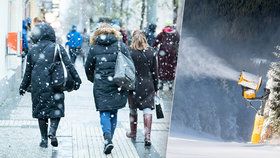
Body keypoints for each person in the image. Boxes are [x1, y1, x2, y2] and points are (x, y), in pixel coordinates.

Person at [19, 23, 82, 148]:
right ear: (51, 34)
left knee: (41, 112)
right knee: (55, 110)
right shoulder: (57, 48)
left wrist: (23, 86)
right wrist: (77, 79)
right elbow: (69, 65)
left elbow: (28, 72)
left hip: (38, 85)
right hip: (55, 84)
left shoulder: (33, 50)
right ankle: (52, 132)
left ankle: (43, 139)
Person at [85, 24, 131, 155]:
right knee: (113, 112)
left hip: (101, 84)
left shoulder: (94, 48)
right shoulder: (120, 45)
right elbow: (129, 64)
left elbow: (88, 67)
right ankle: (109, 138)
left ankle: (107, 138)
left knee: (104, 111)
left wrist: (94, 79)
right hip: (118, 83)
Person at [126, 30, 158, 147]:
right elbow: (155, 72)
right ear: (144, 38)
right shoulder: (151, 52)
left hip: (133, 85)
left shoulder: (129, 52)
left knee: (133, 110)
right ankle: (147, 137)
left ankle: (133, 132)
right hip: (148, 84)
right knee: (147, 110)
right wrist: (156, 87)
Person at [153, 23, 180, 90]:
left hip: (163, 54)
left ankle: (161, 83)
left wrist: (154, 48)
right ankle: (170, 83)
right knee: (171, 68)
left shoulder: (162, 33)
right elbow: (178, 42)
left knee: (162, 68)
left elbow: (155, 43)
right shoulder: (176, 34)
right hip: (173, 54)